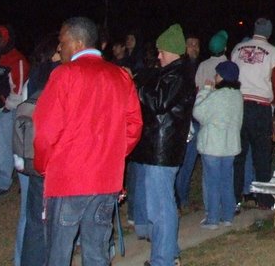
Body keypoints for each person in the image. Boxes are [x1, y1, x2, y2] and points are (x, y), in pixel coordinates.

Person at [33, 17, 143, 266]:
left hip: (67, 181)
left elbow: (46, 132)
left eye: (62, 42)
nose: (59, 49)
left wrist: (43, 165)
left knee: (58, 255)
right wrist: (111, 154)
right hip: (106, 180)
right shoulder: (120, 76)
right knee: (96, 254)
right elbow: (134, 126)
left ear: (77, 42)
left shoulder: (64, 75)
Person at [129, 23, 195, 266]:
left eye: (162, 51)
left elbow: (158, 102)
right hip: (157, 149)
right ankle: (167, 253)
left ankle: (163, 260)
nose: (158, 56)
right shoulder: (171, 72)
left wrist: (136, 88)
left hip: (163, 150)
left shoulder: (179, 74)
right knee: (158, 206)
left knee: (161, 208)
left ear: (173, 50)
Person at [12, 33, 61, 266]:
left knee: (29, 216)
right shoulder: (54, 77)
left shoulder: (33, 76)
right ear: (54, 54)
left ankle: (21, 259)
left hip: (23, 152)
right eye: (61, 51)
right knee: (41, 218)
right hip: (41, 155)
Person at [230, 17, 275, 210]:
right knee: (262, 156)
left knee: (238, 155)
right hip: (261, 108)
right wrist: (273, 105)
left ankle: (234, 199)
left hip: (239, 105)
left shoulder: (237, 49)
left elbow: (230, 75)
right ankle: (264, 200)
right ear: (269, 32)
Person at [193, 60, 243, 228]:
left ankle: (212, 218)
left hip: (213, 144)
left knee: (212, 181)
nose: (215, 76)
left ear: (222, 76)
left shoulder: (216, 95)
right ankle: (227, 215)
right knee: (226, 180)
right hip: (229, 145)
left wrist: (204, 91)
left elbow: (198, 112)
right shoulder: (237, 96)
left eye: (217, 74)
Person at [0, 24, 30, 196]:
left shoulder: (17, 60)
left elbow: (18, 88)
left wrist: (7, 107)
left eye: (1, 37)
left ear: (8, 39)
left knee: (3, 148)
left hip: (5, 112)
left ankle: (2, 183)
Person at [174, 33, 204, 209]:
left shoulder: (202, 66)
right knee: (180, 159)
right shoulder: (181, 67)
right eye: (191, 44)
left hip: (197, 119)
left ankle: (182, 195)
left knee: (190, 161)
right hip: (183, 120)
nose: (194, 47)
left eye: (197, 44)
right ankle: (177, 196)